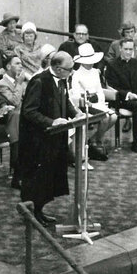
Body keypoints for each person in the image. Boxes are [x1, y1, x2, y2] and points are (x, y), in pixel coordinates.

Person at [19, 51, 81, 226]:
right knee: (37, 178)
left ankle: (39, 210)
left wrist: (75, 113)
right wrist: (52, 121)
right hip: (38, 140)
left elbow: (65, 101)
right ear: (58, 68)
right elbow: (29, 111)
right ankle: (32, 213)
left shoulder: (62, 80)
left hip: (54, 139)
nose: (72, 72)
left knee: (48, 177)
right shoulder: (39, 81)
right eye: (69, 69)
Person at [70, 43, 116, 162]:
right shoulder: (76, 75)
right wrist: (87, 100)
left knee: (114, 117)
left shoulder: (95, 72)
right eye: (87, 61)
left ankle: (94, 140)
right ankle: (97, 143)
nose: (90, 63)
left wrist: (98, 99)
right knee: (105, 118)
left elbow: (100, 91)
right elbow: (75, 95)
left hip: (97, 103)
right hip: (84, 105)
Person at [0, 54, 26, 189]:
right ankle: (18, 172)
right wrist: (19, 84)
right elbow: (14, 102)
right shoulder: (2, 84)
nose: (21, 66)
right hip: (6, 119)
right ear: (8, 66)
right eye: (17, 63)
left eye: (21, 64)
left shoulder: (21, 82)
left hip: (22, 118)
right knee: (17, 116)